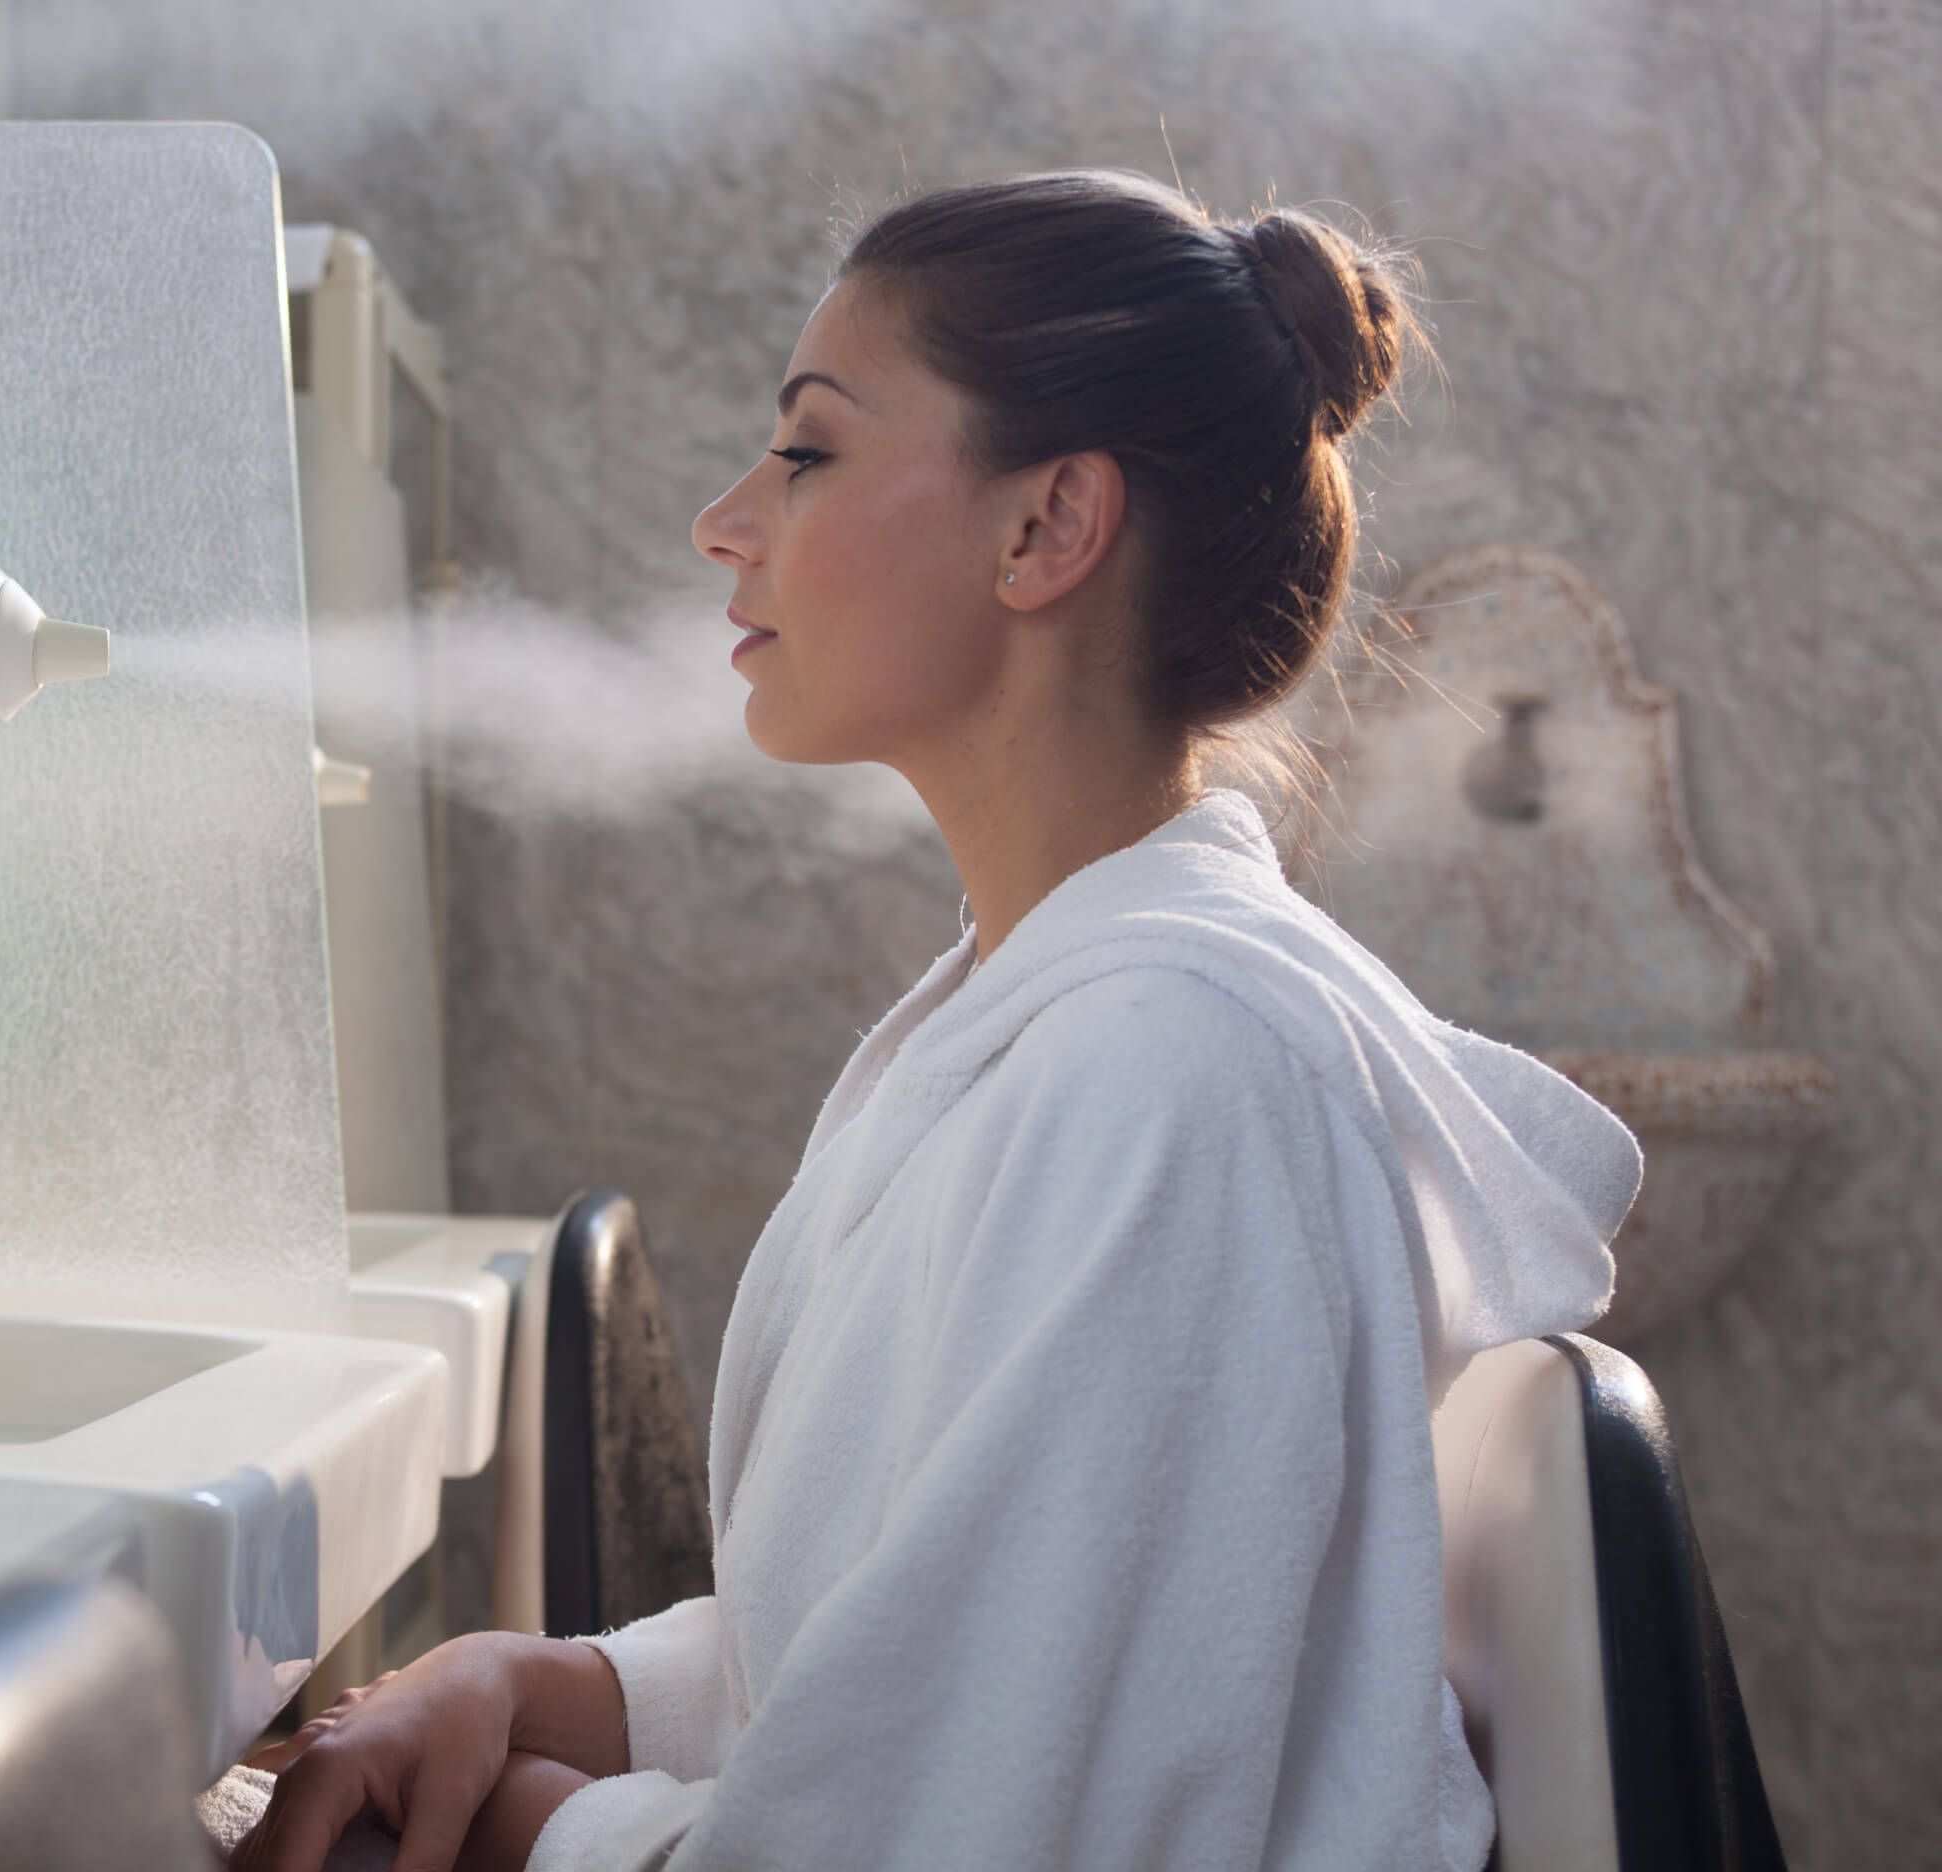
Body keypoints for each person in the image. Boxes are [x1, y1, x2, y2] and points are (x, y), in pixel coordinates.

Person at [226, 167, 1642, 1872]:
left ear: (1044, 528)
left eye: (809, 450)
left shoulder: (1170, 1081)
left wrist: (515, 1830)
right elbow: (935, 1647)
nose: (726, 520)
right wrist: (545, 1686)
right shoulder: (1046, 1018)